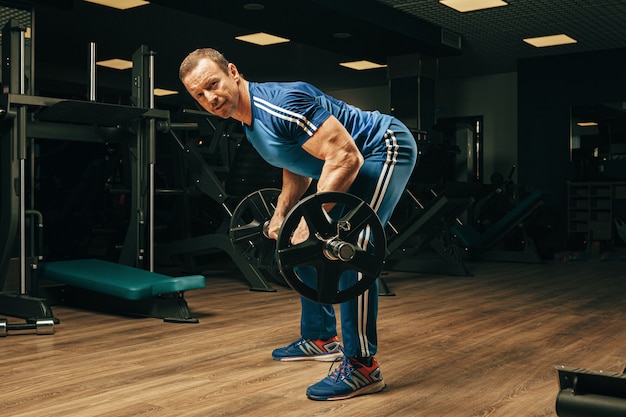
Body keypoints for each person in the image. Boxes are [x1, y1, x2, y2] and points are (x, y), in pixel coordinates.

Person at [179, 48, 418, 401]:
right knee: (299, 242)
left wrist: (315, 220)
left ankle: (362, 365)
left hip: (383, 148)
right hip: (349, 160)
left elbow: (345, 155)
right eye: (199, 94)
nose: (210, 98)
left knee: (353, 248)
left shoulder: (280, 103)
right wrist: (283, 214)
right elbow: (300, 162)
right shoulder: (251, 124)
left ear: (233, 72)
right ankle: (321, 337)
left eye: (213, 84)